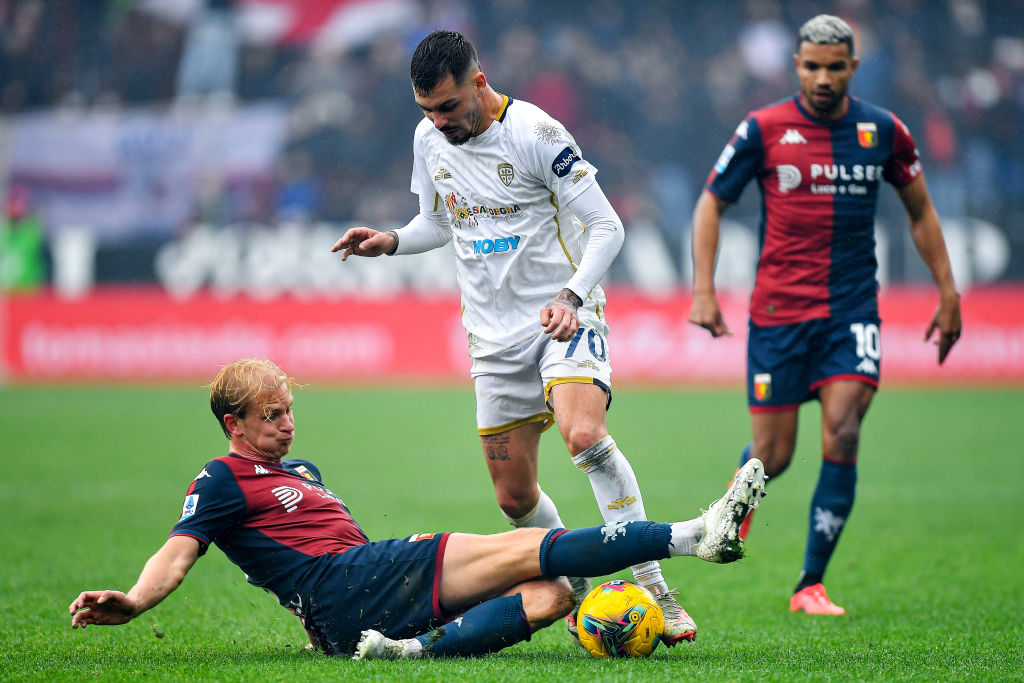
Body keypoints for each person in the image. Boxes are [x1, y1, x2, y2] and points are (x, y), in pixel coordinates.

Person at [330, 29, 699, 643]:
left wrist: (572, 295)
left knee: (585, 436)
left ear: (479, 80)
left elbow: (607, 228)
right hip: (491, 340)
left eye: (448, 107)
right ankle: (581, 591)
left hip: (564, 317)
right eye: (427, 110)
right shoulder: (430, 138)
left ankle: (653, 584)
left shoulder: (537, 134)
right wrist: (392, 240)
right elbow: (437, 221)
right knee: (514, 497)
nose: (439, 121)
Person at [68, 358, 767, 659]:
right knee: (527, 546)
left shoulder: (302, 473)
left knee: (551, 594)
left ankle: (407, 648)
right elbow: (177, 549)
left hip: (358, 598)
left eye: (289, 411)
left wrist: (321, 623)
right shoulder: (221, 478)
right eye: (270, 415)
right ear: (233, 422)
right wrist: (134, 599)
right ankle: (694, 535)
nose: (285, 425)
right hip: (348, 580)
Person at [688, 14, 962, 616]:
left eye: (834, 67)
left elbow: (920, 211)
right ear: (797, 66)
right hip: (779, 314)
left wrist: (948, 291)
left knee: (843, 429)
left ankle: (809, 583)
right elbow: (712, 202)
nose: (822, 77)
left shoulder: (883, 131)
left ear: (852, 69)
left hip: (851, 310)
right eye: (811, 66)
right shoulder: (763, 128)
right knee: (773, 455)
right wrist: (703, 289)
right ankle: (731, 514)